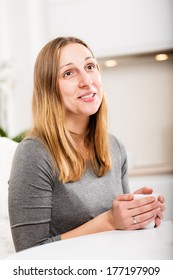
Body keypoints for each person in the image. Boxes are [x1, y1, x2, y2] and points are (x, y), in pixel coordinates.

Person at [8, 37, 165, 252]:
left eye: (90, 66)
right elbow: (28, 253)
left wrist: (137, 216)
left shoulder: (114, 147)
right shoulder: (34, 153)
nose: (86, 80)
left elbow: (119, 236)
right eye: (69, 73)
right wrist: (109, 221)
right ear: (49, 88)